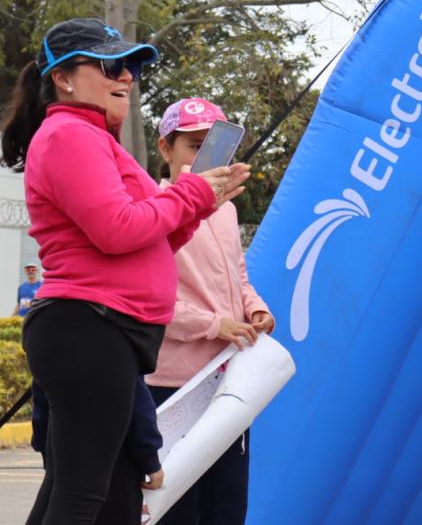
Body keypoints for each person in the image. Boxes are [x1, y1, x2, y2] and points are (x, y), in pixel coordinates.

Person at [0, 17, 250, 525]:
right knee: (85, 496)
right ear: (64, 78)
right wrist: (191, 193)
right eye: (112, 64)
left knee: (89, 493)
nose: (128, 76)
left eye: (132, 66)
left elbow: (148, 238)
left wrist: (197, 204)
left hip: (103, 329)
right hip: (90, 326)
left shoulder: (95, 139)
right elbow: (117, 228)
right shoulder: (70, 134)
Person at [146, 97, 275, 525]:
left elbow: (238, 278)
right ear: (165, 149)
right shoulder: (154, 206)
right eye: (192, 146)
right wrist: (215, 324)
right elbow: (148, 298)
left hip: (227, 382)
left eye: (214, 148)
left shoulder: (227, 209)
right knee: (176, 509)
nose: (204, 158)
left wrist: (256, 310)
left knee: (226, 506)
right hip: (172, 387)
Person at [30, 378, 164, 524]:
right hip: (115, 460)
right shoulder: (117, 355)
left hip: (64, 454)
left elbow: (41, 403)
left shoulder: (51, 354)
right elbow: (136, 401)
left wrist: (46, 453)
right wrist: (150, 460)